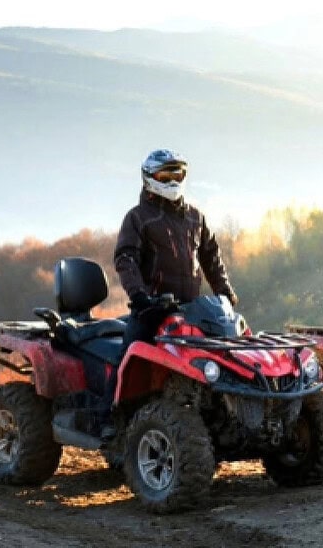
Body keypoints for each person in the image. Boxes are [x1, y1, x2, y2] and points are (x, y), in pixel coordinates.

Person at [100, 149, 238, 437]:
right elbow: (126, 258)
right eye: (166, 175)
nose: (173, 181)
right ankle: (110, 421)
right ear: (150, 178)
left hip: (194, 309)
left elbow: (212, 258)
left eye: (178, 175)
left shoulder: (195, 218)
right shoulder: (138, 218)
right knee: (128, 358)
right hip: (151, 309)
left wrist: (225, 292)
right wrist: (139, 296)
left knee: (227, 357)